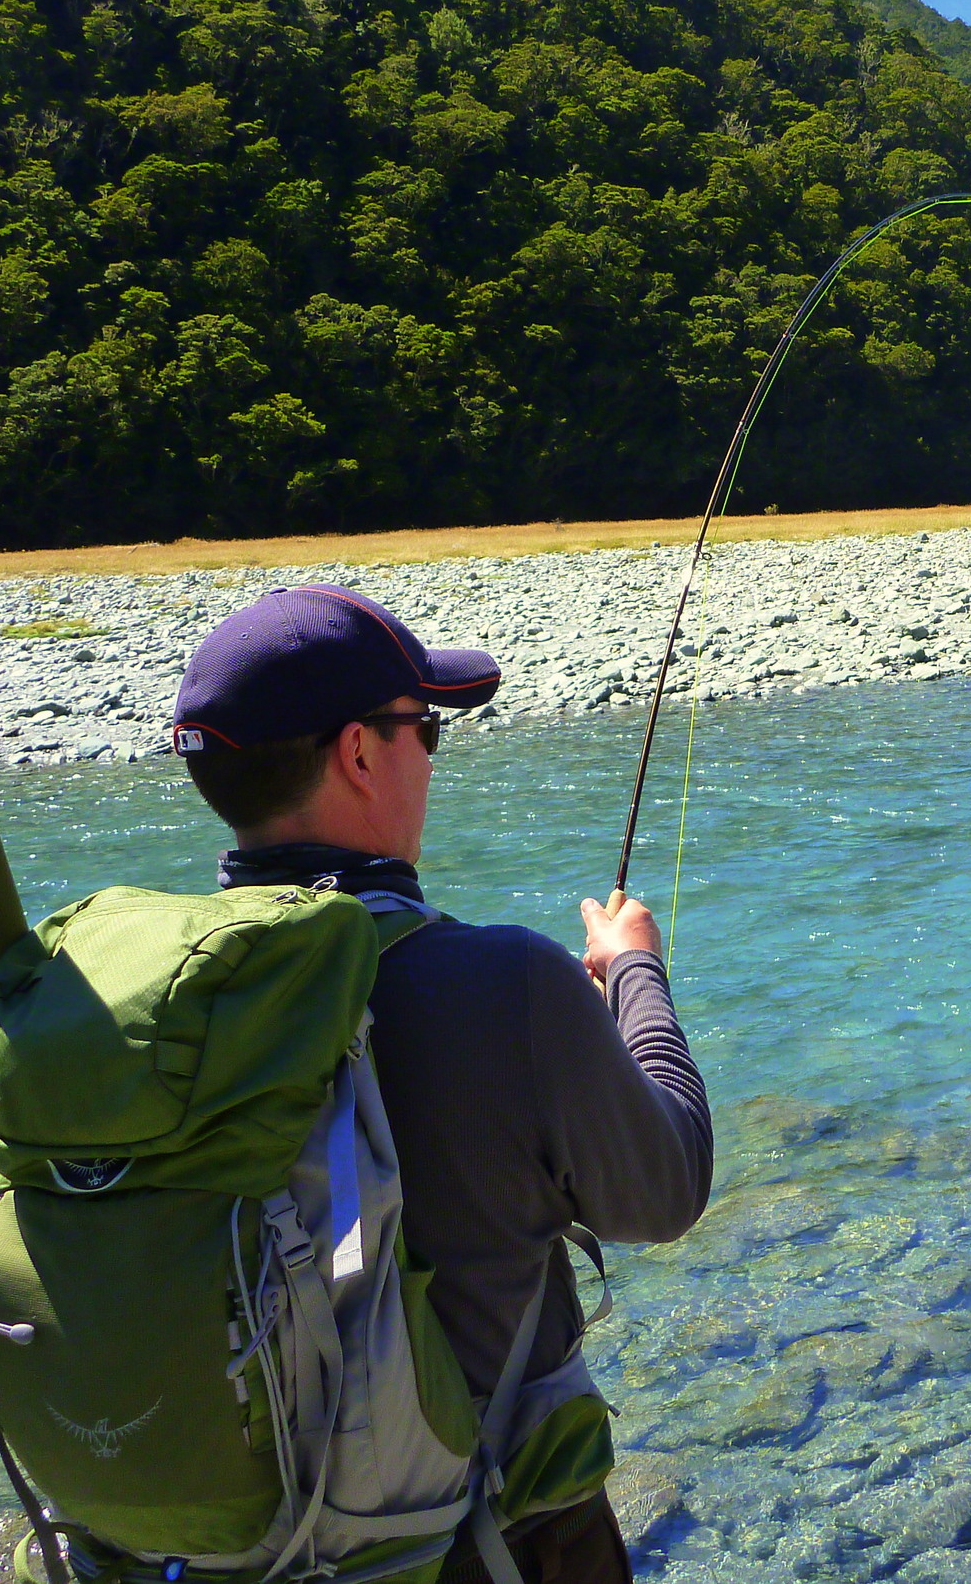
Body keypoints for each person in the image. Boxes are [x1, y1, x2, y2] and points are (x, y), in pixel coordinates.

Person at [170, 583, 713, 1584]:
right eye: (425, 728)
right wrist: (634, 972)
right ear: (360, 752)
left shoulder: (155, 998)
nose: (429, 756)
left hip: (242, 1549)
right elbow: (667, 1188)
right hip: (494, 1545)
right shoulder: (502, 983)